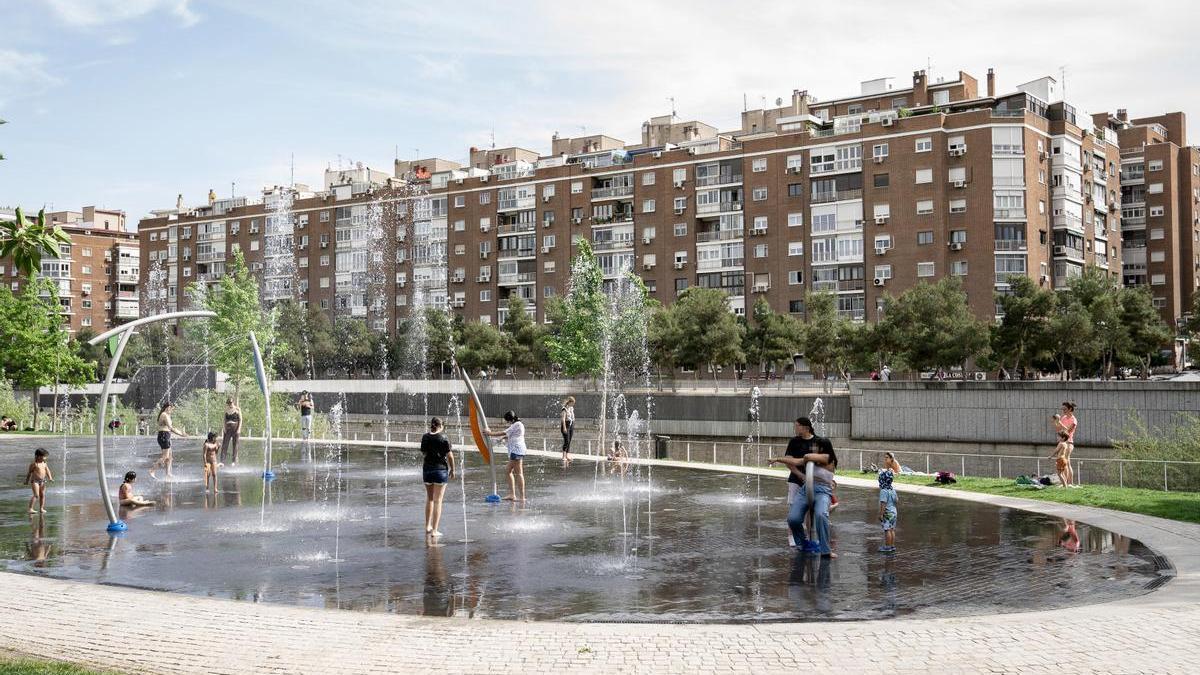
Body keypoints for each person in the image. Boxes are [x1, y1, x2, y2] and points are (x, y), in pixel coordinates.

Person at [771, 420, 838, 557]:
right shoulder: (812, 458)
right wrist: (777, 459)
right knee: (793, 519)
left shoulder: (828, 458)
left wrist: (806, 457)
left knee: (821, 515)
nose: (811, 448)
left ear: (822, 448)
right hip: (806, 489)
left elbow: (806, 457)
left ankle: (826, 551)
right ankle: (803, 543)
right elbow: (796, 461)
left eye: (815, 447)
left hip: (822, 491)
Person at [421, 417, 456, 536]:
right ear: (441, 426)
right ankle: (435, 530)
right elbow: (450, 456)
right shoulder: (444, 437)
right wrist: (453, 469)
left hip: (427, 471)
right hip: (440, 471)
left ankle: (427, 526)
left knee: (429, 499)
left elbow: (424, 453)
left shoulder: (425, 437)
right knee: (438, 501)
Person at [486, 411, 526, 502]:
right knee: (508, 471)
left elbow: (504, 432)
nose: (507, 423)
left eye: (507, 421)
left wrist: (490, 433)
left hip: (517, 451)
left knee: (519, 473)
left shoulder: (517, 424)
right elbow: (510, 435)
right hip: (517, 450)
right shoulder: (518, 424)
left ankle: (522, 497)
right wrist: (501, 439)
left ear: (509, 420)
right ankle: (512, 494)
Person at [151, 401, 187, 479]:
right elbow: (171, 428)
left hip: (165, 435)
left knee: (170, 456)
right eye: (172, 409)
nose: (172, 410)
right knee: (165, 457)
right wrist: (181, 434)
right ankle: (152, 470)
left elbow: (171, 428)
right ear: (168, 407)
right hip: (164, 435)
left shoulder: (166, 415)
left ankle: (168, 474)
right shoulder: (164, 415)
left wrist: (181, 433)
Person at [1052, 402, 1077, 488]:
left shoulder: (1074, 420)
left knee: (1066, 462)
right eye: (1062, 409)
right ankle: (1065, 483)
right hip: (1063, 442)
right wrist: (1056, 422)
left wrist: (1060, 423)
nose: (1063, 411)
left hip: (1069, 442)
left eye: (1065, 409)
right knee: (1065, 463)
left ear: (1070, 409)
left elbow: (1067, 432)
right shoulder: (1064, 418)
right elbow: (1059, 429)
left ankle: (1069, 483)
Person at [24, 448, 53, 513]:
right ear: (38, 456)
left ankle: (41, 508)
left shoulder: (44, 463)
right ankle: (30, 508)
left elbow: (47, 471)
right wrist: (26, 481)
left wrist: (50, 478)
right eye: (44, 456)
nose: (45, 458)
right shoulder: (34, 464)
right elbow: (29, 473)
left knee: (42, 495)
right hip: (35, 481)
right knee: (36, 495)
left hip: (43, 481)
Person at [878, 469, 898, 553]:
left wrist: (881, 514)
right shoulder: (892, 490)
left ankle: (887, 547)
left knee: (887, 530)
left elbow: (883, 503)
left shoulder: (883, 491)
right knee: (892, 529)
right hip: (894, 512)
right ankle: (892, 546)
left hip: (887, 513)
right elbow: (897, 500)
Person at [220, 397, 242, 466]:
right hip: (227, 428)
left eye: (231, 402)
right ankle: (222, 461)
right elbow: (224, 419)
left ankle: (234, 461)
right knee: (225, 444)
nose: (230, 404)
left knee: (235, 445)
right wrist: (223, 427)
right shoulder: (226, 410)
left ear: (233, 402)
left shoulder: (237, 409)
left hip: (235, 427)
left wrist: (239, 429)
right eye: (229, 403)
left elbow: (240, 420)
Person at [560, 396, 576, 463]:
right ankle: (563, 456)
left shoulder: (571, 408)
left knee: (569, 441)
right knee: (566, 441)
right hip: (566, 425)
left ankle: (567, 456)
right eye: (573, 403)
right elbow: (563, 419)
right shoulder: (564, 409)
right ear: (570, 402)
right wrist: (564, 428)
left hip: (571, 425)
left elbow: (572, 417)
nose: (573, 404)